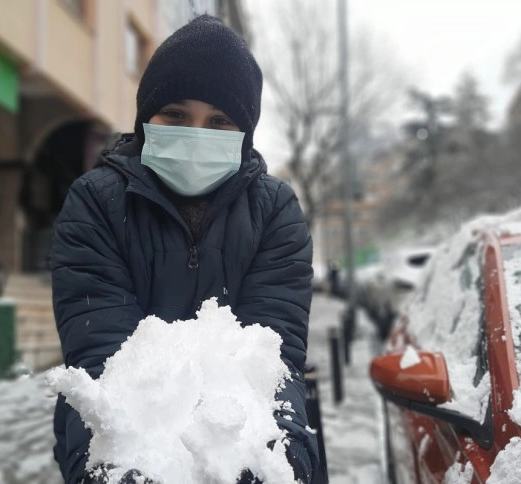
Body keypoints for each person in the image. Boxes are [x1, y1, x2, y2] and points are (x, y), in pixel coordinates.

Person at [52, 15, 318, 484]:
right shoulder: (97, 202)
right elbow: (98, 356)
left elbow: (273, 359)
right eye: (176, 115)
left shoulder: (275, 210)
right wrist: (109, 464)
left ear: (244, 133)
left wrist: (281, 458)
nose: (197, 134)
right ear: (146, 118)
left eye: (219, 121)